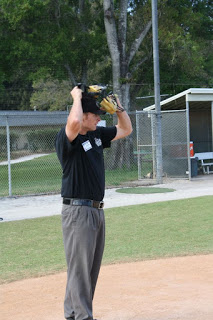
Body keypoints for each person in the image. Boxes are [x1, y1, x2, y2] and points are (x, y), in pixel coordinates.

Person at [55, 86, 132, 320]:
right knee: (80, 270)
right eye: (95, 114)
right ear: (84, 116)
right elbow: (75, 122)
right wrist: (77, 97)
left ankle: (72, 314)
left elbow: (126, 129)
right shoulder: (69, 137)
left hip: (96, 211)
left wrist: (119, 109)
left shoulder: (97, 135)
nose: (99, 117)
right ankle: (83, 317)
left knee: (88, 269)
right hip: (77, 211)